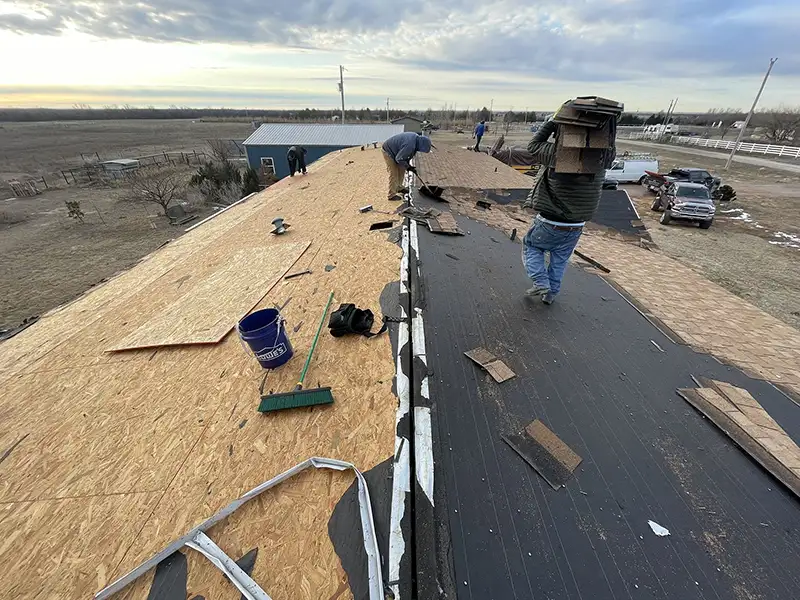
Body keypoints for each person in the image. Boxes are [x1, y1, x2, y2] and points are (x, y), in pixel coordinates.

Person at [522, 117, 616, 304]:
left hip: (550, 220)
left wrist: (551, 122)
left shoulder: (559, 154)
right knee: (559, 259)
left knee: (531, 246)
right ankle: (550, 294)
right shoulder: (601, 157)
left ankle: (541, 282)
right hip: (576, 224)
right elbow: (610, 145)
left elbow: (533, 146)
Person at [381, 132, 433, 200]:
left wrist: (409, 166)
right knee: (394, 173)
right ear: (421, 146)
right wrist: (408, 167)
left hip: (397, 152)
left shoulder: (416, 140)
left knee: (402, 169)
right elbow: (399, 159)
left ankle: (399, 187)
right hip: (388, 151)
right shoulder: (410, 145)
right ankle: (391, 195)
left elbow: (406, 155)